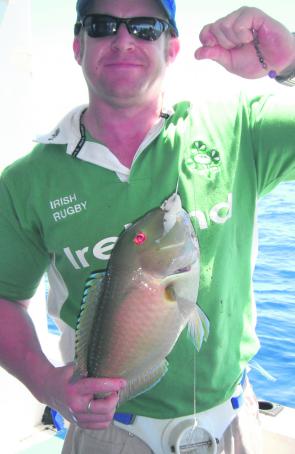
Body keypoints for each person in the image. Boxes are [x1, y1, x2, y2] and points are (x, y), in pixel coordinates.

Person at [0, 0, 294, 452]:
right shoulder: (26, 181)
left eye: (144, 27)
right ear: (78, 45)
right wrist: (46, 382)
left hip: (234, 427)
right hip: (106, 432)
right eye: (101, 26)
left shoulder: (239, 126)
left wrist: (291, 62)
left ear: (172, 46)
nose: (122, 40)